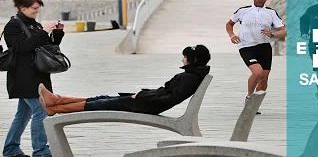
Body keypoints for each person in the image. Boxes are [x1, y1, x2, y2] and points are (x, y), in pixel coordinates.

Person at [38, 45, 211, 116]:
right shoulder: (191, 75)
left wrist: (141, 96)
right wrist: (142, 94)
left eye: (185, 57)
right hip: (147, 102)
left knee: (101, 104)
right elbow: (165, 93)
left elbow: (169, 98)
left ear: (193, 60)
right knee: (101, 98)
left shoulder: (190, 77)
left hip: (147, 105)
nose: (182, 60)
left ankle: (56, 107)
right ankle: (56, 101)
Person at [2, 0, 65, 157]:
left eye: (38, 9)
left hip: (38, 75)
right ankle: (41, 151)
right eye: (34, 8)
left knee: (23, 114)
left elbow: (45, 47)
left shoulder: (34, 25)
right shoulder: (13, 26)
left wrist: (57, 33)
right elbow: (22, 47)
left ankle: (10, 149)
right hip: (23, 76)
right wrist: (43, 32)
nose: (37, 12)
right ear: (23, 8)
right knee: (41, 111)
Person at [225, 0, 286, 114]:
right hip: (246, 46)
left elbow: (283, 31)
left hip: (264, 47)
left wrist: (273, 34)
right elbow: (229, 24)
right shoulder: (243, 11)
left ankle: (255, 105)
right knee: (257, 72)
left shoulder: (271, 13)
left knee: (264, 78)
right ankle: (249, 98)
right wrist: (232, 35)